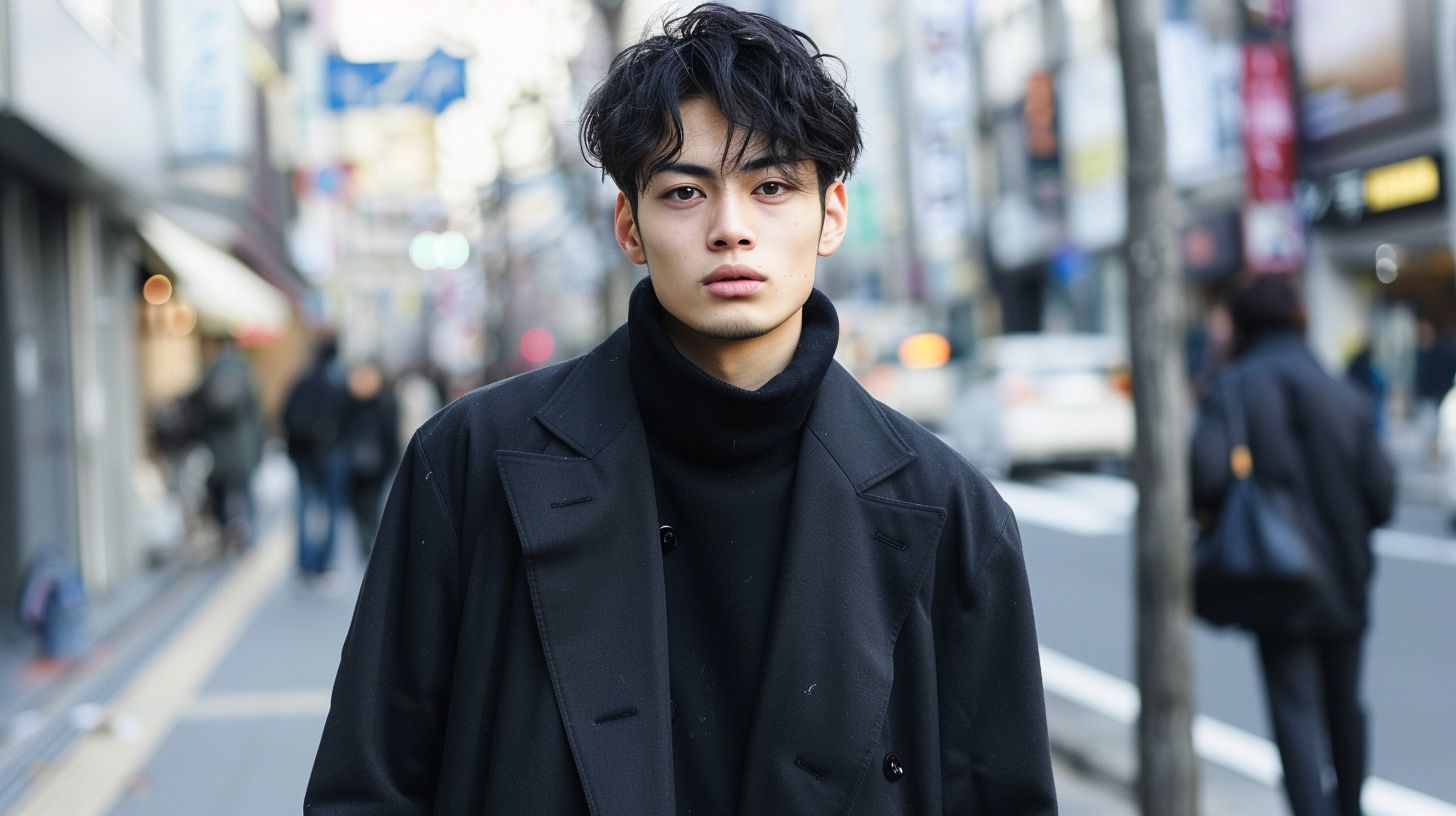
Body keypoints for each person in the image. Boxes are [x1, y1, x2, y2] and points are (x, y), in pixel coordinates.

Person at [306, 6, 1056, 814]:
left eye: (771, 187)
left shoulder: (951, 511)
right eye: (685, 191)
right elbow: (367, 788)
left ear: (830, 215)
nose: (730, 229)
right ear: (629, 224)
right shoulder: (470, 463)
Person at [1191, 275, 1395, 816]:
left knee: (1295, 711)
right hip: (1347, 575)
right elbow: (1383, 494)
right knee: (1345, 705)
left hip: (1274, 577)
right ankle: (1350, 807)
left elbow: (1205, 477)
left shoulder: (1233, 387)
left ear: (1244, 323)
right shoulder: (1343, 393)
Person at [284, 335, 352, 582]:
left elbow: (285, 415)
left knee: (304, 507)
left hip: (304, 455)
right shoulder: (338, 382)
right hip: (332, 453)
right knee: (332, 510)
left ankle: (305, 564)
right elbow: (349, 419)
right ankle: (324, 565)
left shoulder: (301, 381)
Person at [189, 337, 264, 553]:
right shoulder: (244, 370)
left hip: (217, 448)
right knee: (245, 490)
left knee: (219, 492)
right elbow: (255, 409)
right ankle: (248, 533)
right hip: (243, 447)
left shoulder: (210, 371)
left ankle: (224, 532)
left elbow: (196, 401)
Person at [343, 362, 399, 557]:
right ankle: (371, 541)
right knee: (371, 505)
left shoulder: (349, 404)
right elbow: (390, 436)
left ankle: (366, 542)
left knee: (360, 506)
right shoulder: (385, 404)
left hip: (356, 465)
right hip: (377, 464)